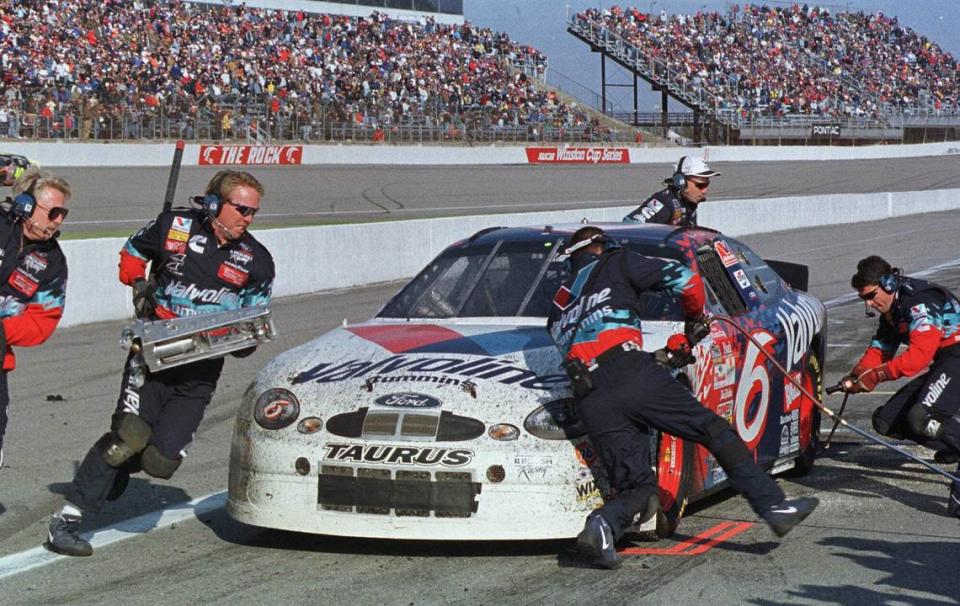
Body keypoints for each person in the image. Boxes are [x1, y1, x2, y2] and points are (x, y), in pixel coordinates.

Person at [547, 226, 818, 569]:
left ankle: (602, 525)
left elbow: (592, 347)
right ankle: (773, 507)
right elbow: (688, 281)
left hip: (590, 396)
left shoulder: (557, 306)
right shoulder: (617, 262)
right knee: (713, 430)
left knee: (640, 490)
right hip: (630, 372)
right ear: (601, 247)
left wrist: (656, 358)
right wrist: (694, 320)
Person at [46, 170, 275, 556]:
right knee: (128, 438)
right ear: (216, 204)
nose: (247, 218)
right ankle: (68, 519)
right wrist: (138, 284)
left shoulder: (257, 261)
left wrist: (245, 340)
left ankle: (115, 469)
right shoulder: (176, 226)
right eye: (241, 209)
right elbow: (132, 252)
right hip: (151, 357)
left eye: (253, 212)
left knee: (159, 462)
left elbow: (253, 322)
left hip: (200, 373)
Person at [842, 255, 960, 519]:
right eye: (864, 299)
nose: (869, 304)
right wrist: (857, 377)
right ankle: (952, 444)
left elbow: (917, 358)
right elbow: (880, 349)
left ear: (887, 283)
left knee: (922, 417)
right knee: (887, 421)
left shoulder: (919, 303)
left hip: (957, 357)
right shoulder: (892, 310)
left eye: (871, 296)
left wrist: (874, 377)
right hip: (946, 360)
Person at [0, 168, 71, 469]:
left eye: (63, 214)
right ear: (27, 206)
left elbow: (42, 324)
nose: (59, 221)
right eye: (53, 212)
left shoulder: (53, 262)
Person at [622, 156, 719, 227]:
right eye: (700, 185)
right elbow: (628, 228)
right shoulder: (664, 202)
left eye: (707, 185)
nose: (705, 191)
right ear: (681, 182)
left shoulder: (689, 204)